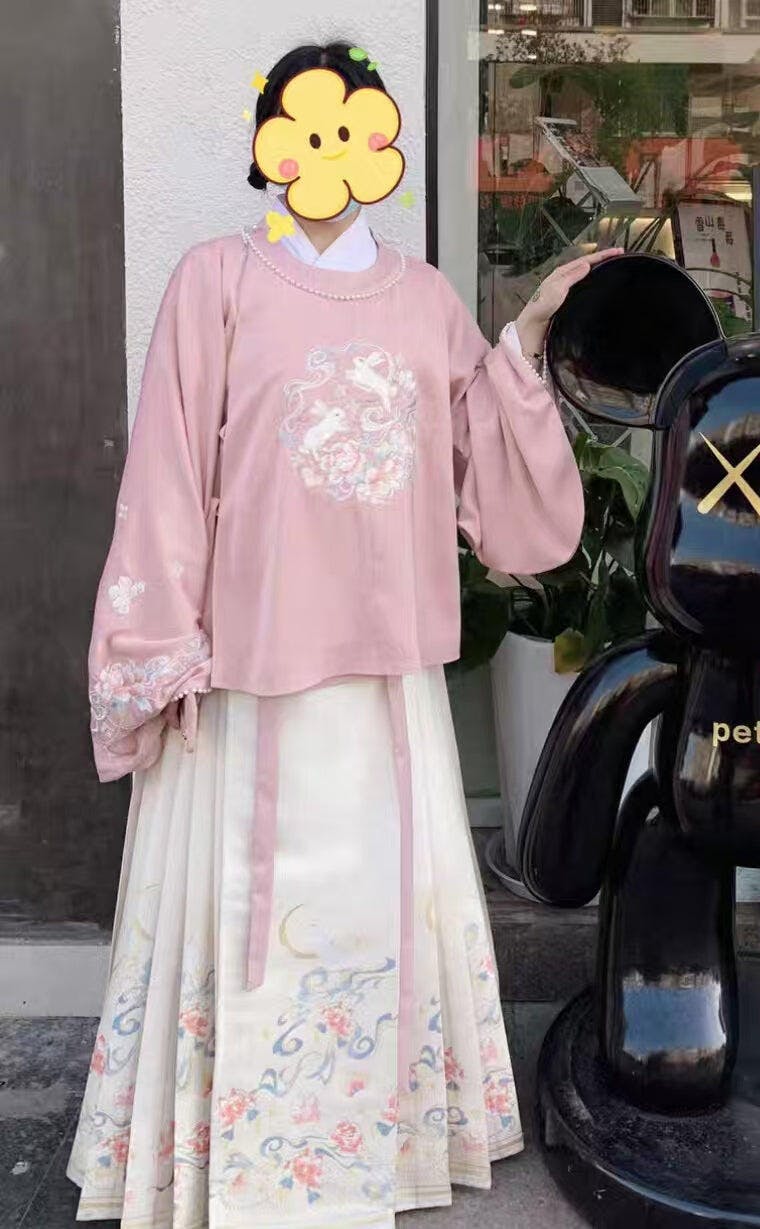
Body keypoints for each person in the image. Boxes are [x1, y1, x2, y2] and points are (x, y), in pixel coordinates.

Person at [66, 40, 617, 1229]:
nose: (326, 149)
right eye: (302, 128)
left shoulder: (422, 301)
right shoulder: (214, 282)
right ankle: (239, 1156)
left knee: (378, 913)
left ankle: (380, 1146)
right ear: (270, 147)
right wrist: (160, 646)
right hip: (243, 671)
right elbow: (165, 473)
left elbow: (487, 471)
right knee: (249, 921)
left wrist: (524, 338)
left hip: (384, 686)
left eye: (349, 126)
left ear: (379, 143)